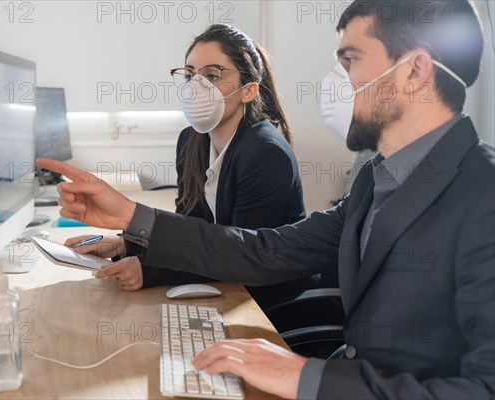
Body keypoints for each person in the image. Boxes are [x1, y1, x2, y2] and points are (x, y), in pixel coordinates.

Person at [38, 0, 495, 398]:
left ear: (414, 71)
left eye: (350, 59)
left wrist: (307, 378)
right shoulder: (377, 179)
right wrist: (131, 216)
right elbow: (264, 248)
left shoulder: (483, 195)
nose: (336, 80)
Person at [66, 24, 310, 310]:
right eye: (190, 74)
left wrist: (151, 272)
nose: (197, 85)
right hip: (221, 286)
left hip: (266, 302)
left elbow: (242, 256)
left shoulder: (266, 153)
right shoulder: (192, 141)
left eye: (211, 75)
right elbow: (190, 231)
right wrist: (124, 245)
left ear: (249, 91)